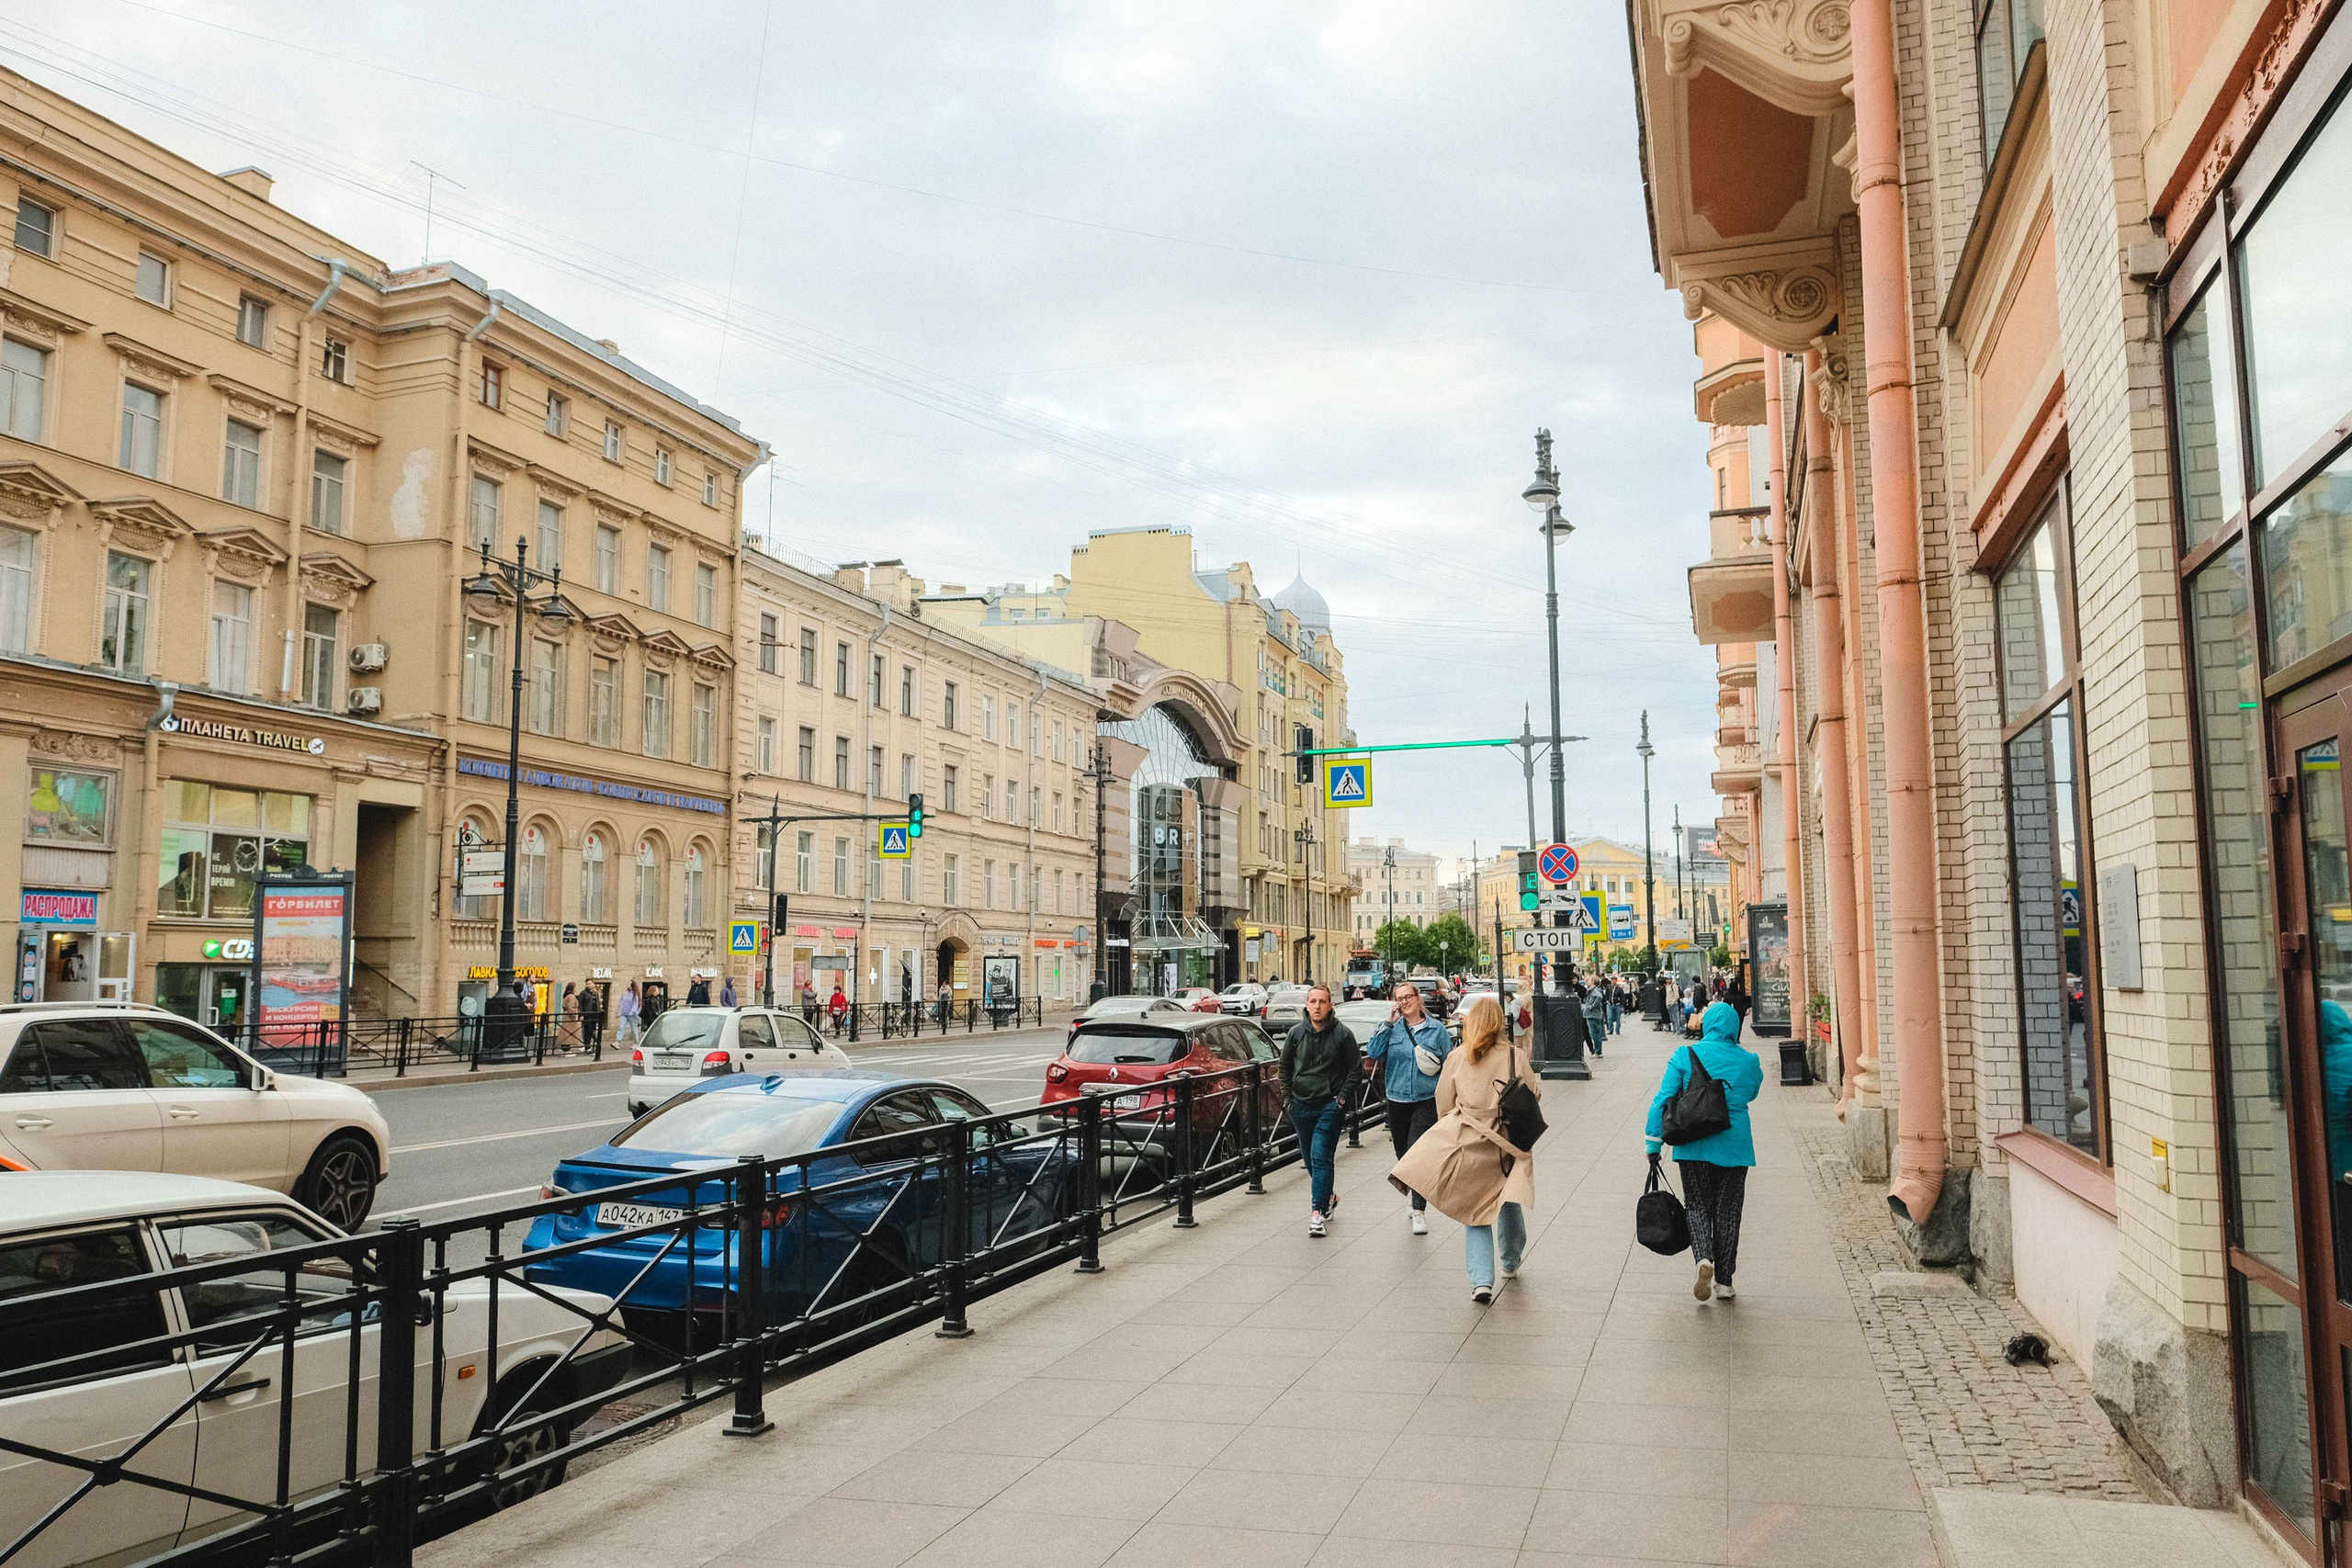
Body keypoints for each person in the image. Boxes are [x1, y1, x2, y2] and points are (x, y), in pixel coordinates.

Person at [1390, 997, 1535, 1303]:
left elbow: (1443, 1101)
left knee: (1476, 1211)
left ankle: (1481, 1281)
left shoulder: (1458, 1057)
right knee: (1508, 1200)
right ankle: (1510, 1260)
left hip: (1469, 1141)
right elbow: (1533, 1093)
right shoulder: (1514, 1056)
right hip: (1507, 1142)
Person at [1645, 999, 1766, 1301]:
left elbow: (1663, 1099)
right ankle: (1725, 1283)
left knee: (1696, 1204)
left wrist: (1653, 1142)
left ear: (1707, 1024)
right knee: (1729, 1212)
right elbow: (1751, 1093)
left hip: (1693, 1145)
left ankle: (1703, 1258)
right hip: (1735, 1147)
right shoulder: (1749, 1060)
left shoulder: (1685, 1055)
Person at [1363, 979, 1453, 1235]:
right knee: (1402, 1154)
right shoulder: (1393, 1029)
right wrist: (1388, 1024)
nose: (1404, 1002)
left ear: (1418, 998)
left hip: (1426, 1100)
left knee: (1417, 1154)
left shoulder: (1436, 1030)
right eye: (1399, 999)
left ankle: (1419, 1210)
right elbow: (1374, 1052)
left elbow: (1449, 1063)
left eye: (1408, 997)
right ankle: (1413, 1190)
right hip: (1397, 1099)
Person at [1280, 983, 1361, 1237]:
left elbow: (1355, 1070)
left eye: (1322, 1002)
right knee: (1310, 1160)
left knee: (1321, 1156)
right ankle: (1329, 1196)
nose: (1317, 1006)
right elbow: (1284, 1069)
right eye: (1312, 1001)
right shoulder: (1296, 1034)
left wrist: (1341, 1100)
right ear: (1307, 1005)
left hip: (1329, 1105)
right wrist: (1288, 1100)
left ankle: (1317, 1214)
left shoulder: (1342, 1035)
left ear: (1330, 1006)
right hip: (1301, 1105)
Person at [1580, 979, 1608, 1060]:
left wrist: (1590, 1007)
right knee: (1596, 1033)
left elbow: (1599, 997)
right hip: (1593, 1014)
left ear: (1593, 982)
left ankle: (1598, 1052)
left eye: (1589, 980)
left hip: (1592, 1014)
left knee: (1594, 1033)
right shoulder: (1593, 990)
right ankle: (1598, 1051)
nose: (1587, 981)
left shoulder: (1593, 990)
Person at [580, 982, 605, 1054]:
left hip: (595, 1014)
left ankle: (591, 1045)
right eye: (587, 984)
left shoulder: (595, 993)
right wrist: (581, 1015)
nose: (588, 985)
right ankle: (587, 1046)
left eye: (590, 983)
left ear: (593, 984)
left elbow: (598, 1003)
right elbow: (580, 1005)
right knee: (588, 1030)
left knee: (592, 1030)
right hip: (587, 1014)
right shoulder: (583, 993)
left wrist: (599, 1012)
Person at [616, 980, 641, 1047]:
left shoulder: (635, 994)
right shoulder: (625, 993)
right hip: (624, 1014)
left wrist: (632, 1011)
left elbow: (635, 1004)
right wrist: (617, 1011)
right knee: (621, 1027)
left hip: (632, 1015)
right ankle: (617, 1042)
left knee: (633, 1029)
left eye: (629, 983)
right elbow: (621, 1003)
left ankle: (636, 1043)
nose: (627, 984)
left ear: (632, 985)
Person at [559, 982, 582, 1053]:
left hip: (566, 1016)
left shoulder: (567, 995)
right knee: (569, 1033)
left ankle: (564, 1048)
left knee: (566, 1032)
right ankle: (566, 1049)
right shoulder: (571, 996)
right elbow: (570, 1007)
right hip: (569, 1017)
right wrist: (574, 1016)